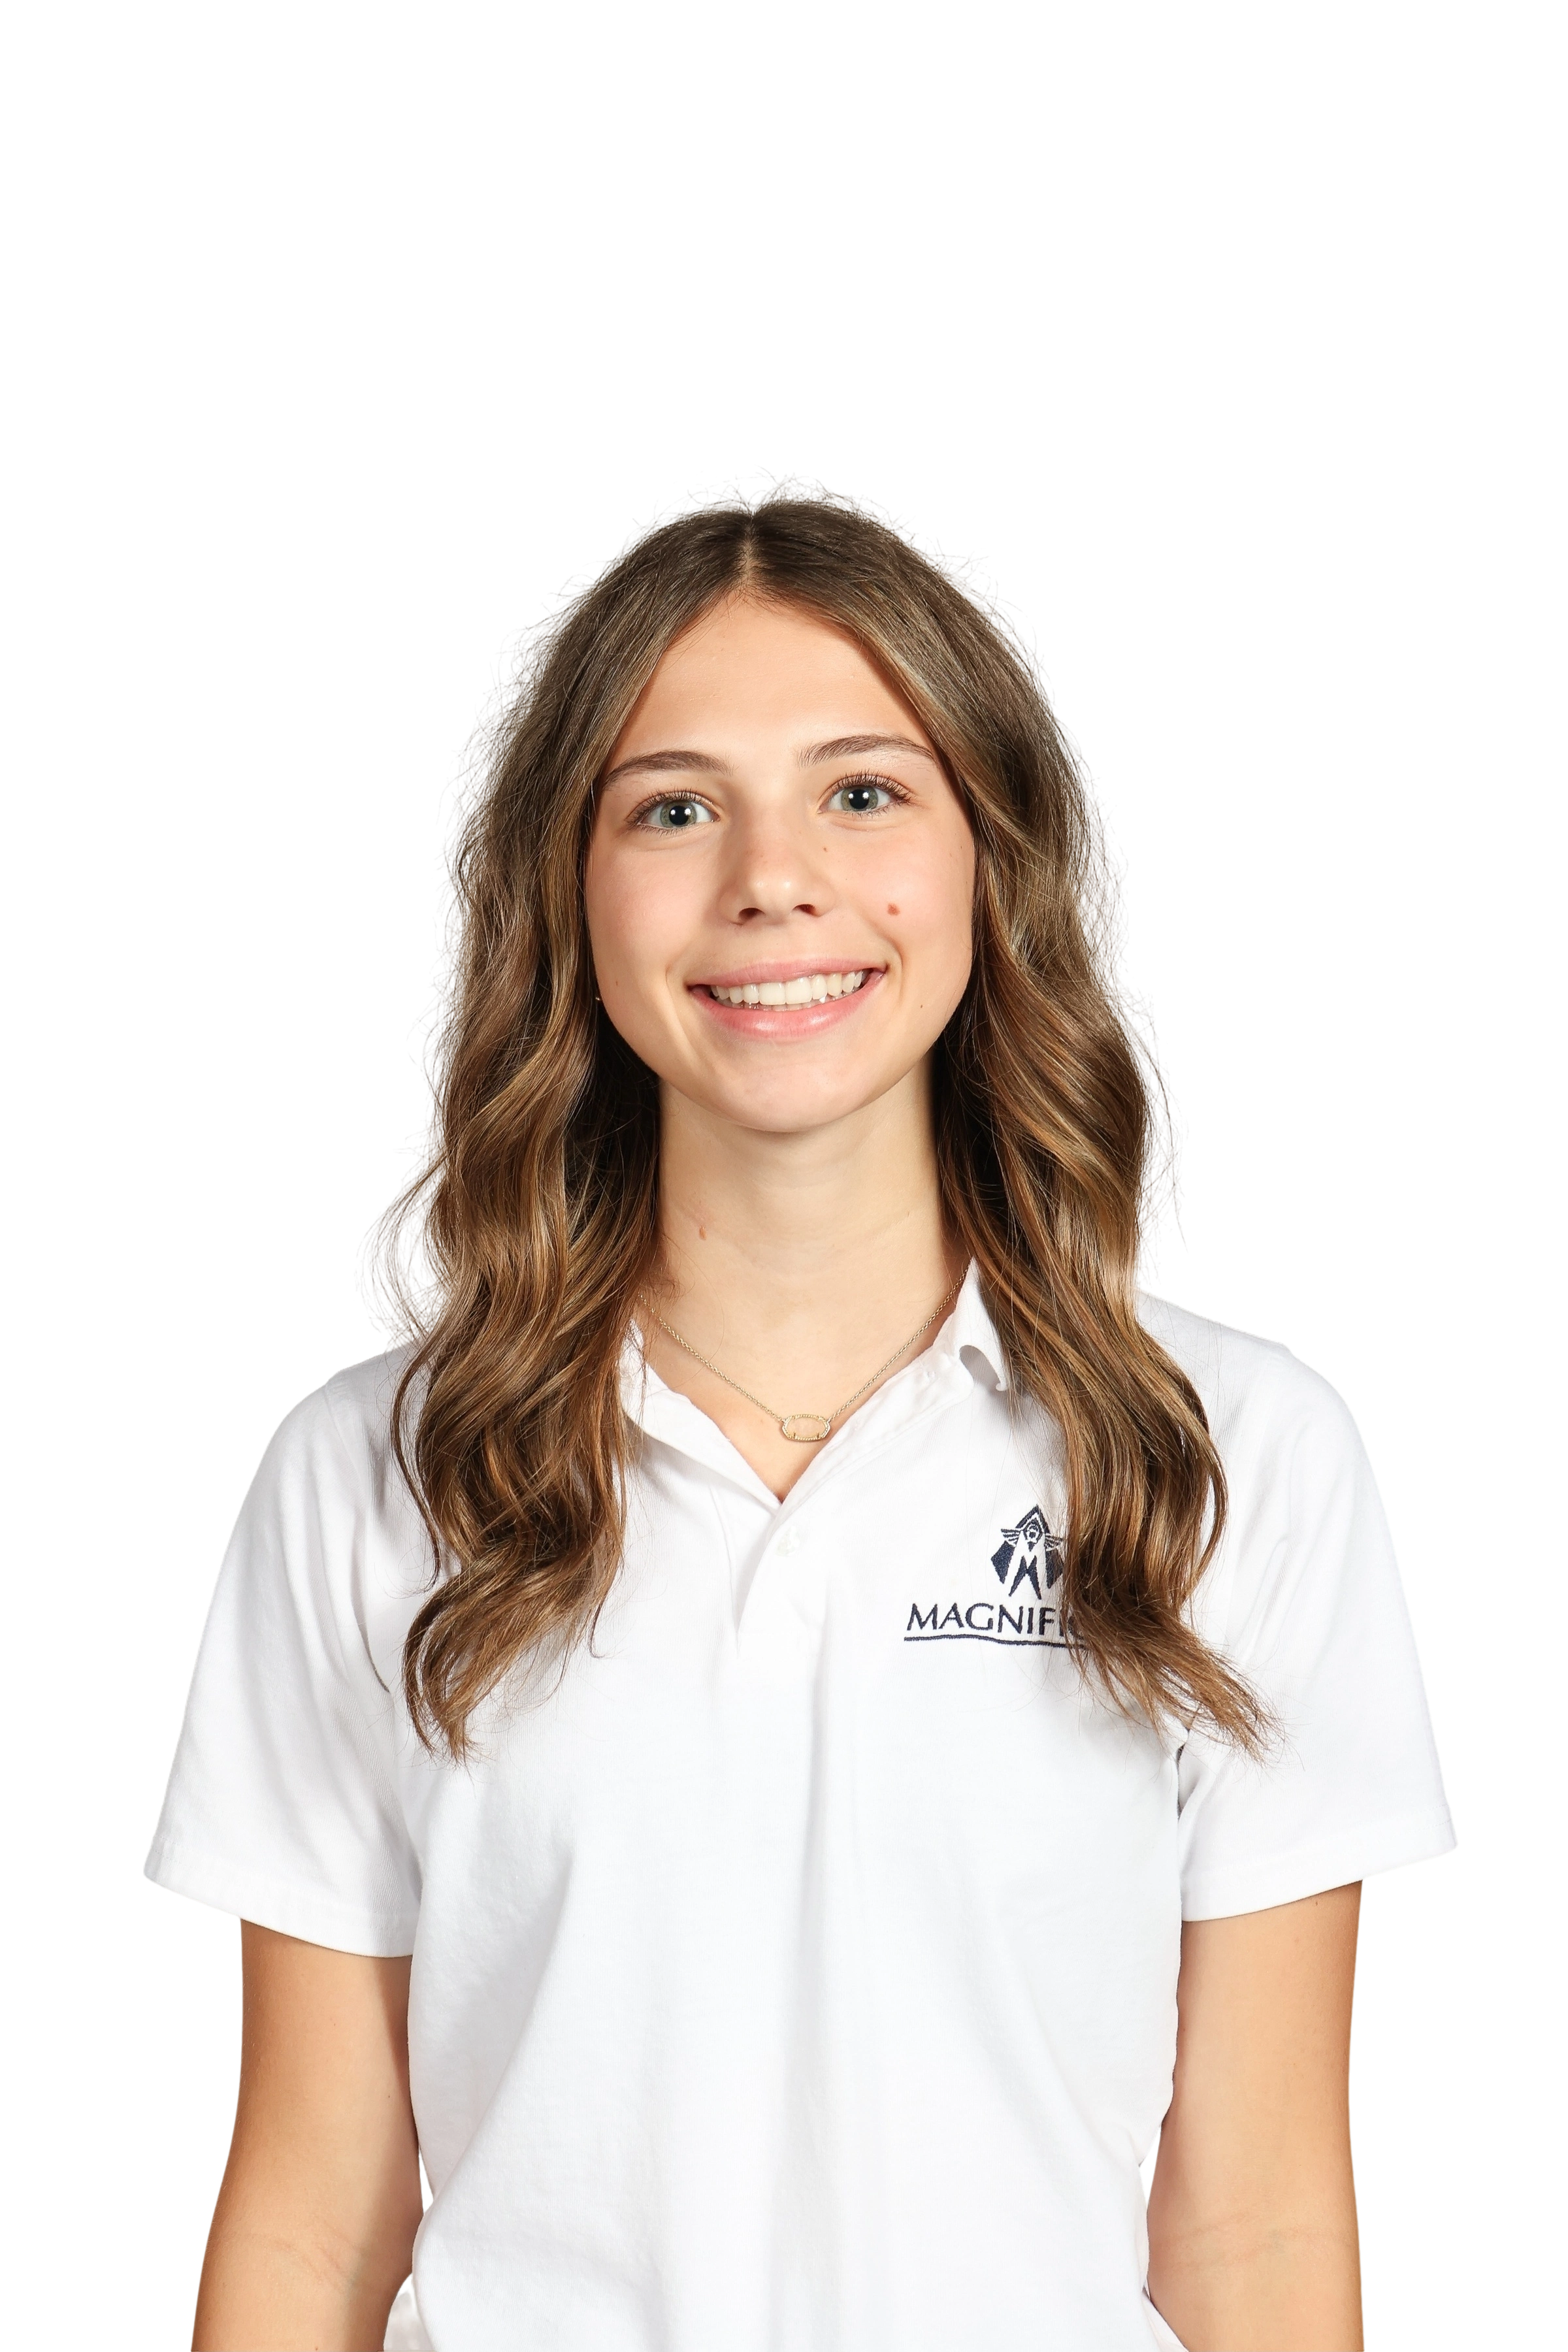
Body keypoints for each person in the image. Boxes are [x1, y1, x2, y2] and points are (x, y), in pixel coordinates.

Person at [144, 470, 1455, 2352]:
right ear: (564, 892)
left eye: (863, 792)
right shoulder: (373, 1474)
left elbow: (1253, 2226)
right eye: (674, 808)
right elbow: (312, 2223)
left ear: (992, 853)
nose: (772, 877)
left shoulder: (1236, 1458)